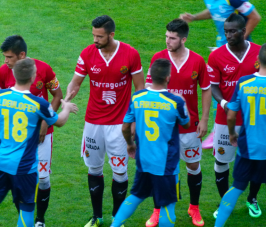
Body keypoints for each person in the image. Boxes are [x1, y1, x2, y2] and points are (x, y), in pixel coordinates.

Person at [0, 58, 78, 227]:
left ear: (13, 74)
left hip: (1, 162)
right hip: (24, 167)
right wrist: (67, 108)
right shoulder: (38, 103)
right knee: (26, 209)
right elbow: (60, 121)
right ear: (32, 78)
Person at [66, 15, 144, 227]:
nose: (95, 40)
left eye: (99, 36)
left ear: (111, 34)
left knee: (120, 172)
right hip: (93, 123)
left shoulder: (130, 54)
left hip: (119, 125)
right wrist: (67, 98)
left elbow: (140, 89)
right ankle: (97, 216)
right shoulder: (87, 53)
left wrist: (135, 120)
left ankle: (117, 220)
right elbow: (75, 82)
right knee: (94, 169)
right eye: (93, 35)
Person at [0, 35, 63, 227]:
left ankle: (40, 220)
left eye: (9, 57)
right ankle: (25, 216)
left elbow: (57, 95)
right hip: (17, 140)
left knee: (44, 178)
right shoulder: (3, 72)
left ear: (22, 55)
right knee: (18, 181)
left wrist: (46, 123)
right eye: (5, 57)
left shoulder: (43, 69)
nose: (5, 61)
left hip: (42, 135)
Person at [145, 19, 211, 227]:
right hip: (163, 129)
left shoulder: (198, 61)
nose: (167, 41)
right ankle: (157, 210)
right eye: (166, 36)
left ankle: (194, 207)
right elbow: (149, 90)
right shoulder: (158, 58)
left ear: (183, 39)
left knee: (193, 166)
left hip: (189, 127)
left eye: (172, 38)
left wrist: (205, 119)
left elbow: (206, 89)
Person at [111, 58, 190, 227]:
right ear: (168, 77)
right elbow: (186, 123)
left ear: (150, 76)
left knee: (136, 195)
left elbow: (125, 128)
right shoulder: (175, 101)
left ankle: (114, 225)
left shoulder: (137, 97)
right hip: (166, 164)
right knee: (168, 205)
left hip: (143, 159)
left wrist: (130, 144)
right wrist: (182, 101)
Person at [180, 0, 261, 149]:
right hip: (222, 49)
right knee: (219, 87)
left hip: (240, 51)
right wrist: (194, 17)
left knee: (242, 88)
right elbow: (216, 11)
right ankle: (219, 129)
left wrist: (235, 43)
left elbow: (255, 17)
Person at [207, 13, 261, 219]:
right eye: (226, 31)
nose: (228, 35)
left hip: (254, 120)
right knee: (221, 162)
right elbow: (213, 86)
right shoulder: (216, 56)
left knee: (257, 161)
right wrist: (224, 104)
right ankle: (224, 203)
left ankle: (252, 198)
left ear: (243, 31)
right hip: (225, 119)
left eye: (232, 31)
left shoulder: (259, 53)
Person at [215, 43, 266, 226]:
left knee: (237, 186)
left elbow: (231, 115)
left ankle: (219, 223)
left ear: (257, 61)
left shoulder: (244, 82)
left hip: (248, 145)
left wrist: (231, 134)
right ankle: (252, 199)